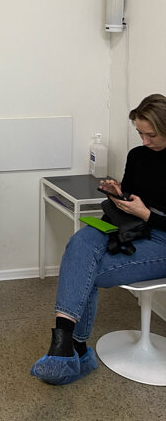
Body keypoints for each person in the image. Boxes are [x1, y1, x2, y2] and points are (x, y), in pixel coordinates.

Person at [31, 93, 166, 385]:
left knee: (85, 270)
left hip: (161, 240)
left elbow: (147, 211)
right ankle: (67, 345)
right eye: (140, 134)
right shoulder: (138, 156)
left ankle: (74, 349)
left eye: (151, 135)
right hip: (129, 226)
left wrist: (146, 214)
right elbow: (132, 195)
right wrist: (118, 194)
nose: (144, 141)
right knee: (80, 243)